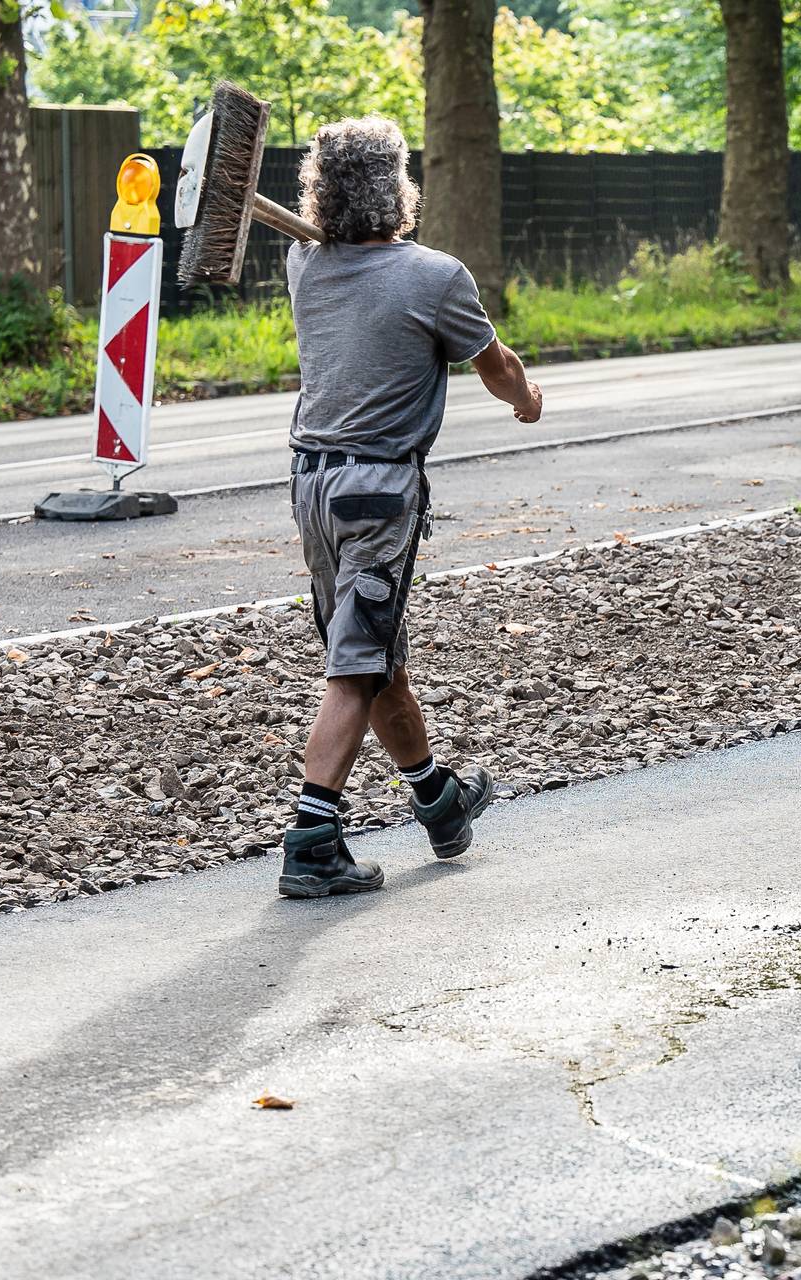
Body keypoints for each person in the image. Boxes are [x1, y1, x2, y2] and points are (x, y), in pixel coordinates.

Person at [273, 116, 544, 899]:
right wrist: (526, 398)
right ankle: (312, 840)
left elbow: (328, 248)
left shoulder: (302, 263)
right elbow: (494, 366)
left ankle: (437, 800)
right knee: (357, 664)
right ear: (399, 187)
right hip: (377, 492)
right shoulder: (436, 278)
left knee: (374, 650)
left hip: (310, 488)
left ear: (319, 191)